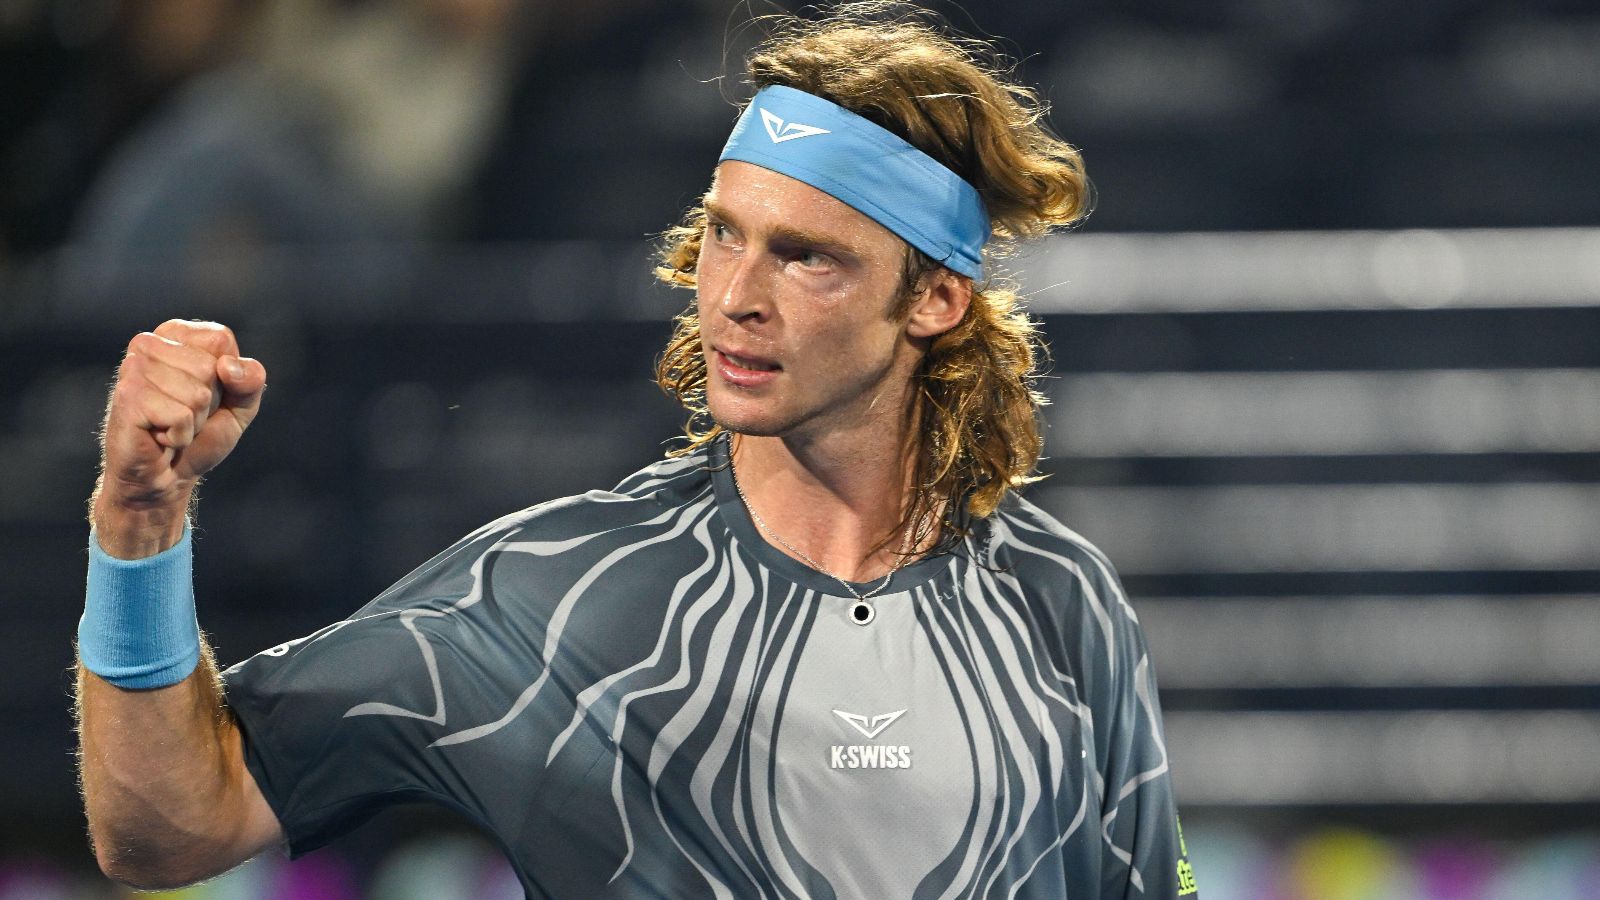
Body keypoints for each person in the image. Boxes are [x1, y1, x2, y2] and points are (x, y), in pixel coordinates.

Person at [75, 4, 1198, 897]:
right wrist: (138, 527)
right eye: (724, 235)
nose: (735, 295)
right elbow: (168, 830)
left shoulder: (1065, 601)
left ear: (936, 300)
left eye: (806, 257)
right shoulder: (548, 596)